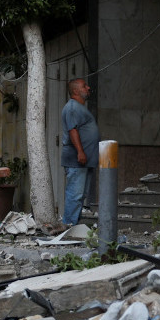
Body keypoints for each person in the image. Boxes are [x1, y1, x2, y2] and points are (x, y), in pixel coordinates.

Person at [61, 78, 99, 226]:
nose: (88, 88)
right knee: (75, 194)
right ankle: (69, 226)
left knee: (80, 195)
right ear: (76, 91)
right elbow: (72, 130)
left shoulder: (79, 107)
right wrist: (80, 152)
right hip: (76, 159)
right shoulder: (72, 107)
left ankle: (73, 226)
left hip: (85, 160)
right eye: (84, 86)